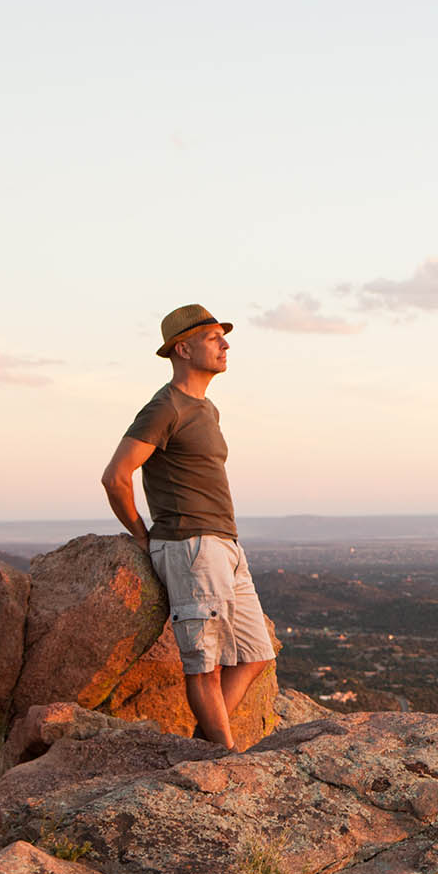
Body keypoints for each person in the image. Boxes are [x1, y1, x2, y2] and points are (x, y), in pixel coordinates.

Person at [99, 304, 275, 748]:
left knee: (255, 655)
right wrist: (143, 536)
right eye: (214, 337)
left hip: (224, 543)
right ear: (183, 347)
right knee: (204, 664)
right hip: (190, 545)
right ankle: (223, 760)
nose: (225, 344)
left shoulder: (206, 409)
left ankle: (206, 745)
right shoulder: (164, 407)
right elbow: (116, 476)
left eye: (223, 337)